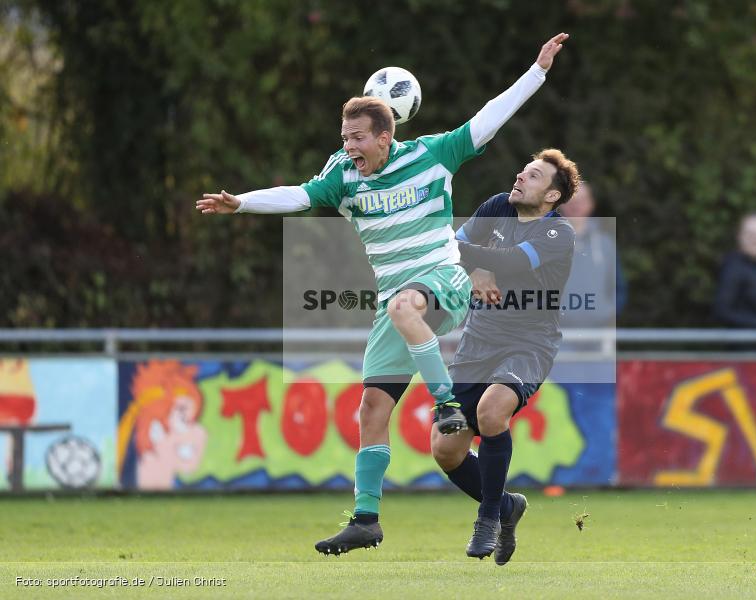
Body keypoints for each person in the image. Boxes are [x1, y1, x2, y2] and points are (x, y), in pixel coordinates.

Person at [196, 33, 570, 555]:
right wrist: (242, 204)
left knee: (404, 308)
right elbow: (299, 195)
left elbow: (488, 117)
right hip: (399, 302)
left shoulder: (433, 154)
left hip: (442, 279)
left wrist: (538, 71)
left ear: (385, 136)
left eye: (356, 138)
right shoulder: (343, 176)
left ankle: (444, 405)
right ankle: (368, 519)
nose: (348, 146)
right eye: (344, 137)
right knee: (372, 405)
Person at [431, 149, 579, 564]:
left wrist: (472, 259)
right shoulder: (498, 205)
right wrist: (476, 269)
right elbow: (452, 243)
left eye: (533, 176)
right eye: (523, 170)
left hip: (529, 344)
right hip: (478, 340)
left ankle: (488, 518)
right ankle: (508, 507)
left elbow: (512, 262)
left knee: (492, 411)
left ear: (551, 196)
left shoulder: (558, 234)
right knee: (445, 449)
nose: (520, 176)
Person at [557, 181, 626, 329]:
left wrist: (608, 313)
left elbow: (618, 287)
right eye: (571, 200)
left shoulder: (605, 244)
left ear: (591, 204)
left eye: (581, 200)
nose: (576, 206)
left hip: (599, 333)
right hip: (559, 334)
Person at [713, 213, 756, 329]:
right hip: (747, 344)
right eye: (750, 234)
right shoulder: (733, 268)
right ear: (739, 236)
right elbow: (722, 311)